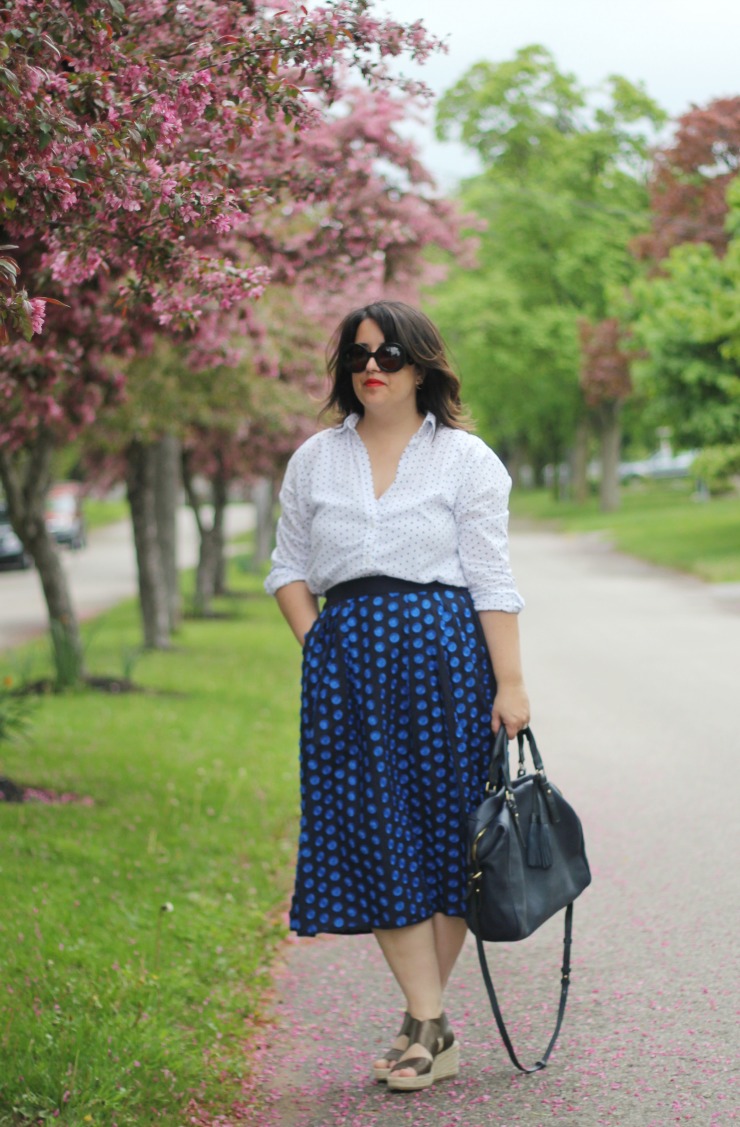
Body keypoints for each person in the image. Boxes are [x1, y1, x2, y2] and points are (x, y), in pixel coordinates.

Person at [264, 300, 529, 1092]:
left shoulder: (467, 459)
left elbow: (491, 577)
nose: (371, 367)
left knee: (448, 842)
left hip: (448, 663)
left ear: (421, 365)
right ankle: (431, 1021)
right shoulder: (315, 458)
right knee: (379, 838)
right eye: (357, 355)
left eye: (387, 353)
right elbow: (288, 568)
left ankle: (424, 1023)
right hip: (346, 669)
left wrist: (510, 681)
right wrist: (323, 648)